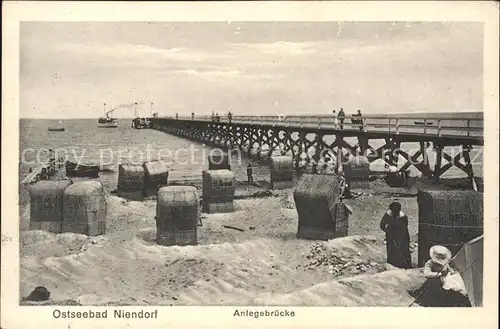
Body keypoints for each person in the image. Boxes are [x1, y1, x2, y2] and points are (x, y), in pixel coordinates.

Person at [379, 201, 412, 269]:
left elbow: (405, 227)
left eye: (396, 212)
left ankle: (405, 266)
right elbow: (382, 225)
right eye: (394, 211)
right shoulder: (388, 215)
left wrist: (400, 238)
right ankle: (392, 265)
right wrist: (387, 231)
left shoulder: (403, 217)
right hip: (391, 235)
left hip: (402, 235)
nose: (395, 213)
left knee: (403, 249)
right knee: (392, 249)